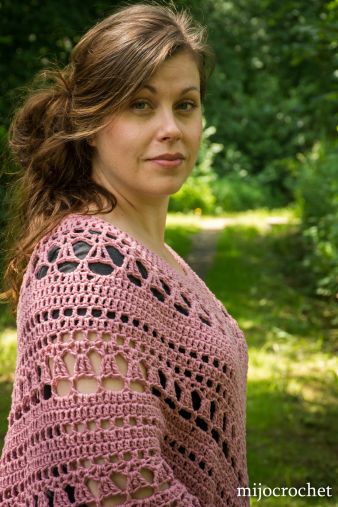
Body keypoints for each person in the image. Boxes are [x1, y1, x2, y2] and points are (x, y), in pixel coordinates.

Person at [0, 3, 250, 506]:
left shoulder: (155, 256)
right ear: (91, 122)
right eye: (139, 104)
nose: (172, 128)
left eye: (186, 104)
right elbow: (117, 487)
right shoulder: (85, 273)